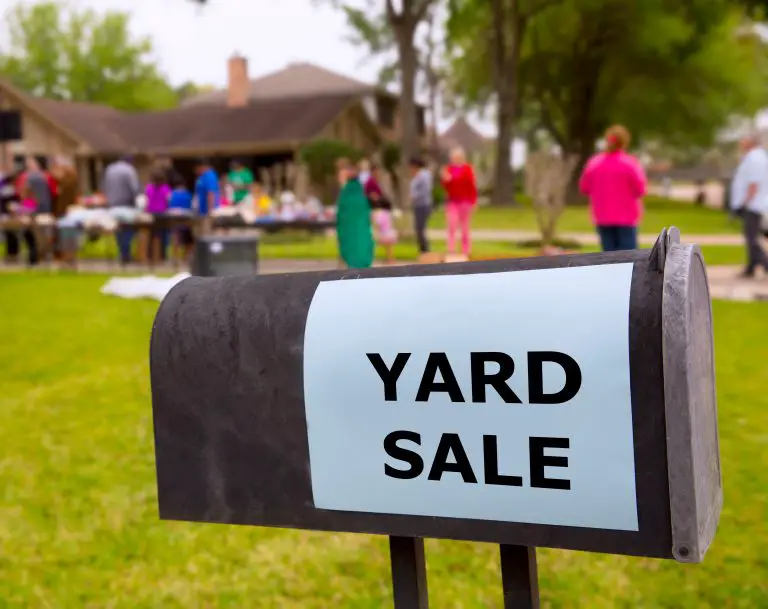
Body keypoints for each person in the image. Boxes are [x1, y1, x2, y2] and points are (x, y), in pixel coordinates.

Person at [579, 125, 647, 252]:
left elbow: (585, 187)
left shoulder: (594, 163)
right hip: (627, 217)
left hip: (603, 216)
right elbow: (640, 189)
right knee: (628, 256)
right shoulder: (630, 163)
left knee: (608, 256)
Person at [730, 133, 768, 278]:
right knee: (750, 236)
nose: (741, 144)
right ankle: (751, 267)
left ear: (751, 142)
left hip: (753, 204)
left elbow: (754, 182)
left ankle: (764, 263)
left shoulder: (755, 158)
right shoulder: (752, 156)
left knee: (752, 238)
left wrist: (745, 201)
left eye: (743, 141)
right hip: (752, 203)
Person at [335, 158, 374, 269]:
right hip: (359, 220)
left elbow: (342, 212)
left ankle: (347, 261)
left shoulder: (346, 193)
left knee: (348, 239)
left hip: (349, 221)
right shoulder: (360, 194)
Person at [103, 155, 140, 264]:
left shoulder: (109, 169)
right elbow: (134, 188)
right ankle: (126, 253)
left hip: (112, 206)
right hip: (126, 206)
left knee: (118, 230)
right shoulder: (129, 170)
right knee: (129, 229)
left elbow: (105, 186)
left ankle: (121, 252)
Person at [441, 147, 477, 256]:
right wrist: (445, 180)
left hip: (465, 202)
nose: (455, 159)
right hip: (453, 202)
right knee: (452, 225)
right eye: (453, 157)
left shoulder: (467, 169)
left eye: (457, 157)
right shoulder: (449, 169)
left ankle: (466, 250)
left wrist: (473, 201)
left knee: (465, 227)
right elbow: (446, 187)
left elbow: (472, 186)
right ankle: (451, 249)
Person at [144, 169, 171, 264]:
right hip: (162, 214)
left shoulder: (149, 187)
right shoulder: (165, 188)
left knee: (152, 236)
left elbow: (146, 200)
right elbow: (168, 200)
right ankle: (162, 256)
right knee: (163, 236)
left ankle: (150, 256)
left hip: (151, 214)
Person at [409, 157, 433, 254]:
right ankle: (423, 250)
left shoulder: (423, 175)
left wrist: (415, 196)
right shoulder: (419, 175)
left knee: (420, 228)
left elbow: (425, 190)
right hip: (419, 205)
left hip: (423, 204)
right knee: (419, 229)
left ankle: (425, 250)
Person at [168, 177, 194, 263]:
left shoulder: (172, 194)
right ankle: (186, 257)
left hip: (174, 218)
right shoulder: (187, 194)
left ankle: (175, 257)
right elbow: (191, 206)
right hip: (186, 218)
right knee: (187, 239)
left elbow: (169, 204)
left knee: (176, 238)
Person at [194, 159, 220, 231]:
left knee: (208, 233)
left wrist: (210, 211)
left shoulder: (210, 176)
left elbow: (211, 193)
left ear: (201, 167)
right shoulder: (202, 177)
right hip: (201, 212)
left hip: (208, 212)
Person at [372, 198, 398, 264]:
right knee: (389, 247)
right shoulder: (389, 213)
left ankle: (389, 259)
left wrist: (374, 218)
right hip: (390, 232)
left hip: (385, 233)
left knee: (386, 246)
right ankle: (390, 259)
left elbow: (379, 222)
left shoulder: (382, 213)